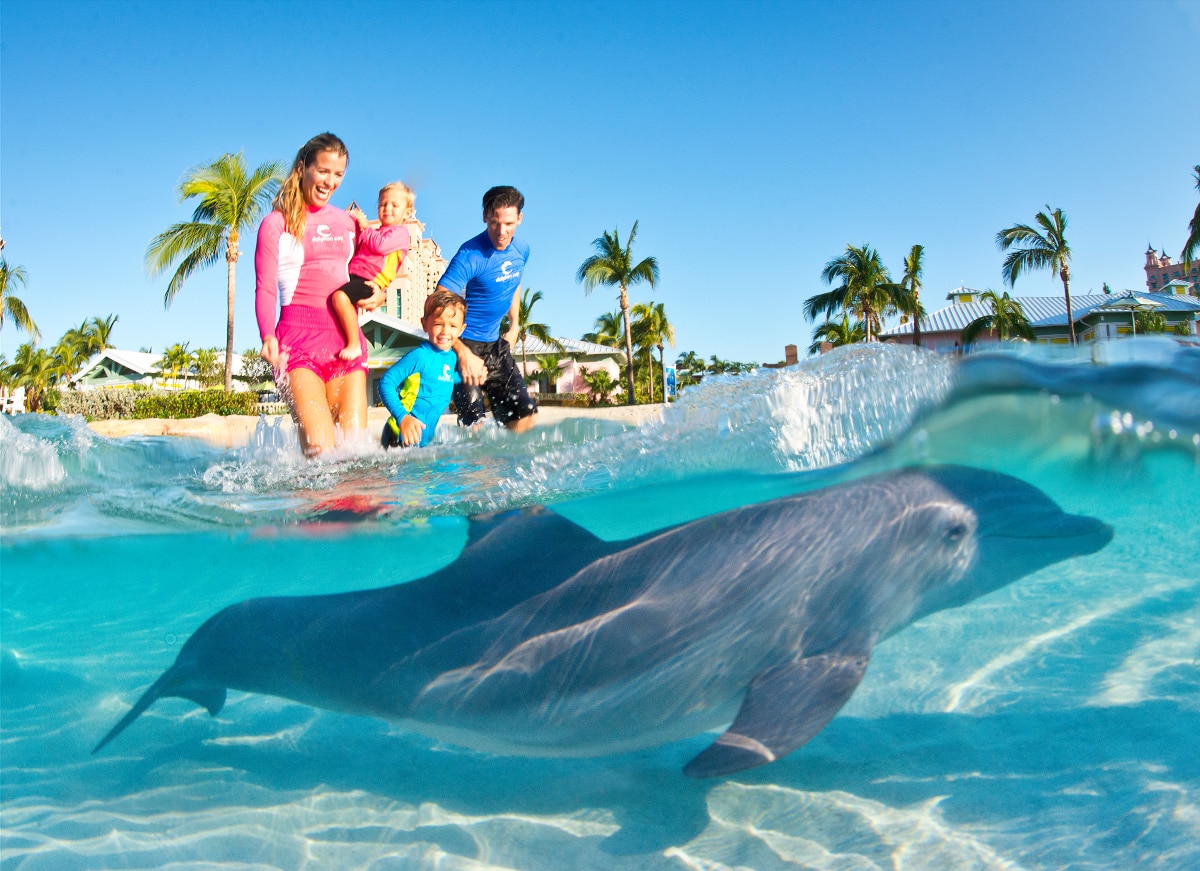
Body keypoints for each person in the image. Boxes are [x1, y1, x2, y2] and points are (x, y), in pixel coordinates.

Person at [254, 132, 384, 457]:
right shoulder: (276, 224)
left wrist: (378, 292)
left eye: (338, 174)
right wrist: (266, 334)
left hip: (346, 344)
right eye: (323, 171)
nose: (330, 181)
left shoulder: (348, 223)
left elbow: (365, 273)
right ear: (303, 168)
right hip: (297, 346)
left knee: (354, 454)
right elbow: (265, 286)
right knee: (320, 451)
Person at [436, 185, 538, 432]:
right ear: (484, 216)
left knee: (523, 419)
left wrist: (514, 326)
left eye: (509, 223)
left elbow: (515, 282)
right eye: (494, 223)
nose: (501, 232)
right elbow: (438, 303)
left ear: (519, 219)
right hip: (465, 345)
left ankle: (505, 469)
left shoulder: (521, 250)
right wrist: (461, 352)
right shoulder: (470, 255)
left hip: (495, 347)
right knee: (474, 429)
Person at [333, 182, 414, 361]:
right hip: (356, 277)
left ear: (407, 213)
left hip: (370, 281)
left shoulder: (400, 233)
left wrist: (365, 226)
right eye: (383, 204)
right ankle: (347, 338)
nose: (387, 209)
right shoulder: (379, 231)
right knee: (341, 303)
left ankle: (354, 343)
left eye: (394, 205)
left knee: (339, 298)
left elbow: (379, 245)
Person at [378, 289, 466, 448]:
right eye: (438, 324)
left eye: (453, 325)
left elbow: (447, 382)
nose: (445, 331)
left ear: (461, 329)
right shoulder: (420, 356)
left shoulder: (452, 358)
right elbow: (386, 382)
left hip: (424, 441)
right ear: (425, 324)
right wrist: (402, 417)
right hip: (399, 434)